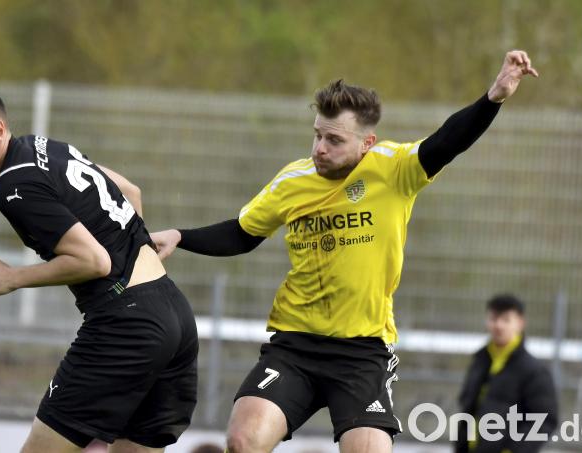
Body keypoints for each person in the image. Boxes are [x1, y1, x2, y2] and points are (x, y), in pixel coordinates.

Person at [151, 50, 539, 453]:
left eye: (334, 140)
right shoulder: (293, 180)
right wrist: (181, 236)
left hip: (363, 351)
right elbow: (242, 234)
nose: (320, 147)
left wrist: (493, 97)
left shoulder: (394, 169)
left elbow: (447, 141)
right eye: (317, 134)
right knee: (242, 440)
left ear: (367, 143)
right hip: (295, 345)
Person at [0, 89, 198, 453]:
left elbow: (94, 261)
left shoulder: (13, 185)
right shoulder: (45, 147)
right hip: (174, 313)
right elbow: (129, 190)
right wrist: (132, 249)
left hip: (126, 327)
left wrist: (12, 278)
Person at [454, 294, 558, 453]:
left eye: (506, 319)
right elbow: (468, 411)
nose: (498, 325)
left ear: (520, 323)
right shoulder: (479, 362)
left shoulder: (534, 371)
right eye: (493, 318)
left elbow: (544, 421)